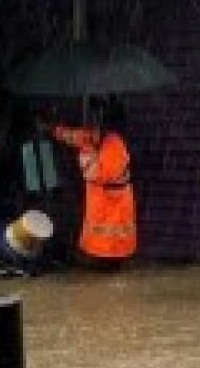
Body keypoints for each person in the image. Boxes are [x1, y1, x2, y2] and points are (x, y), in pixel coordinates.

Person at [43, 97, 137, 267]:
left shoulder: (115, 143)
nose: (92, 129)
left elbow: (102, 173)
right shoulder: (92, 137)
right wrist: (53, 129)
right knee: (98, 237)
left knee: (113, 240)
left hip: (115, 199)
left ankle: (111, 262)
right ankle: (100, 259)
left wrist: (88, 153)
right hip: (101, 199)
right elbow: (71, 136)